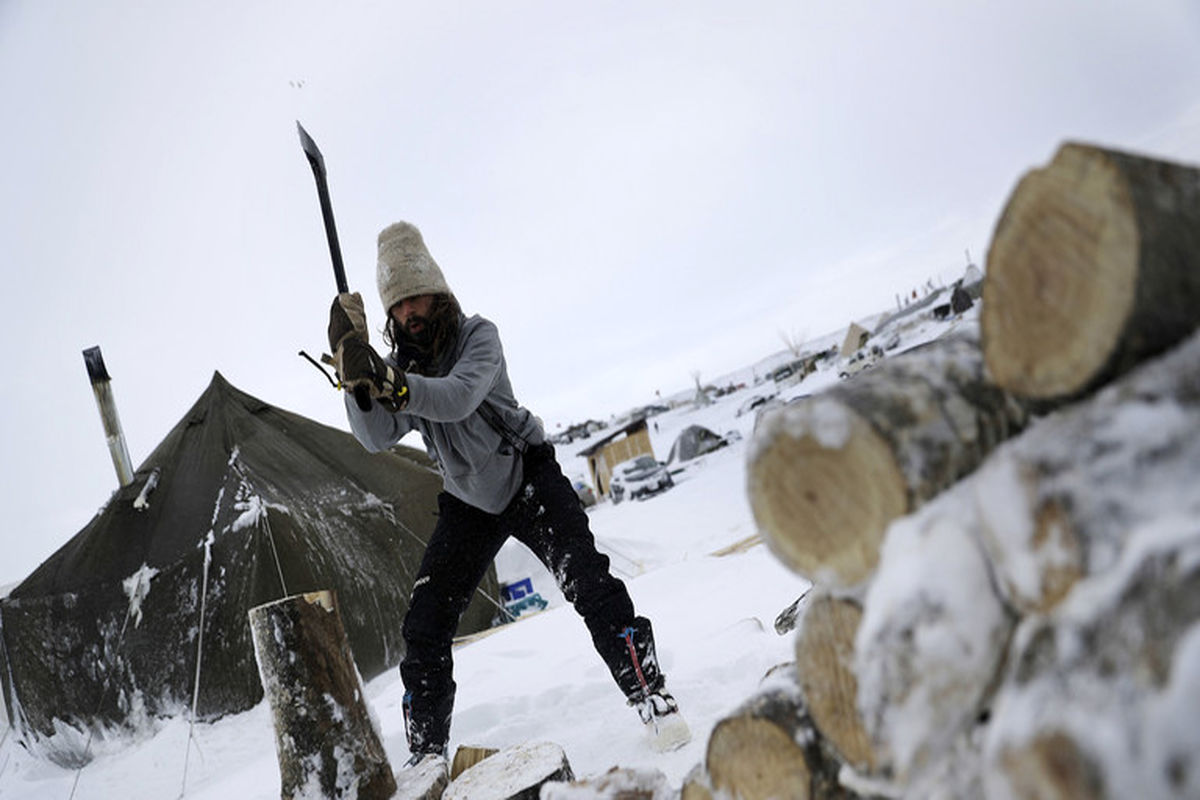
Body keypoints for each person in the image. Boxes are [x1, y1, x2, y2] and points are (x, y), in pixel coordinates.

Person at [326, 221, 689, 764]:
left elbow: (458, 397)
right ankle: (425, 757)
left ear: (438, 291)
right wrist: (355, 376)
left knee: (589, 583)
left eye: (416, 297)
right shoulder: (400, 366)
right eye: (397, 305)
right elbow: (375, 437)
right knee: (423, 626)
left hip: (527, 477)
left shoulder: (479, 336)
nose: (409, 313)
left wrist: (393, 385)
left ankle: (650, 694)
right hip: (468, 502)